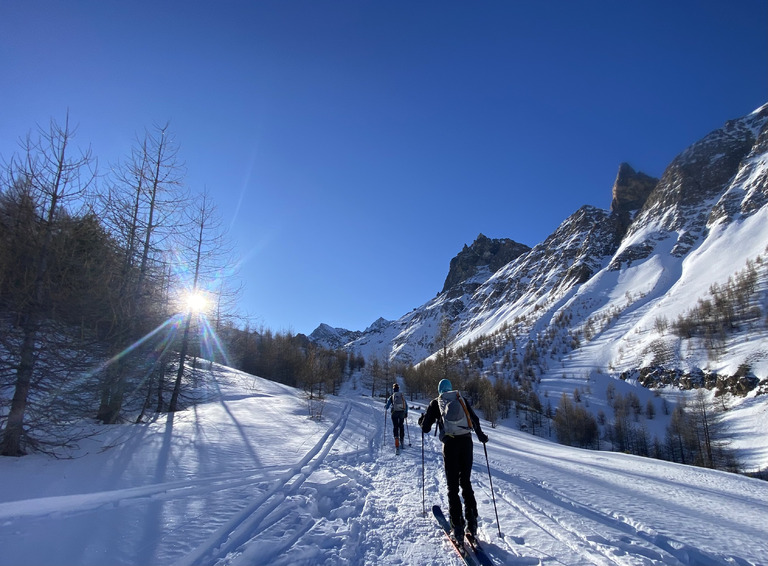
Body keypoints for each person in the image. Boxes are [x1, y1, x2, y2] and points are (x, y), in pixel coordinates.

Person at [419, 378, 489, 544]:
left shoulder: (436, 403)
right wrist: (482, 437)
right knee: (465, 482)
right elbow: (475, 420)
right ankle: (472, 524)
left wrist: (422, 420)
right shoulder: (460, 399)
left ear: (439, 390)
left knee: (452, 487)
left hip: (450, 445)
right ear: (450, 389)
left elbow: (426, 428)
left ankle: (457, 526)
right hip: (467, 443)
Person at [385, 383, 408, 450]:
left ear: (393, 389)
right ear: (398, 389)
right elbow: (406, 405)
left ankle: (396, 438)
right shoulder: (401, 395)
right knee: (401, 426)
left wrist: (386, 407)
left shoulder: (392, 396)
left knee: (395, 426)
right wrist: (405, 413)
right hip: (401, 413)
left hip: (394, 413)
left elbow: (387, 406)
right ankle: (402, 439)